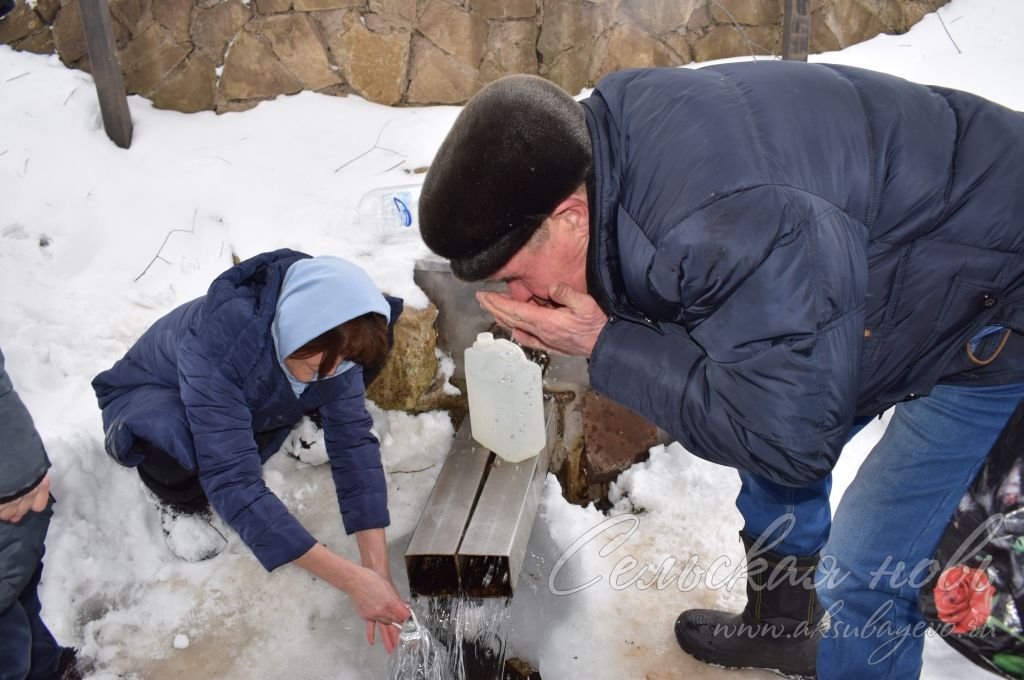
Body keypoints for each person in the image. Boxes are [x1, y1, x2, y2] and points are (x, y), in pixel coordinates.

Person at [417, 65, 1024, 679]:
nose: (521, 293)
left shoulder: (723, 225)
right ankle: (780, 625)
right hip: (897, 278)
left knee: (865, 572)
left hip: (993, 312)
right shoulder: (607, 149)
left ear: (572, 217)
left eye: (518, 272)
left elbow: (787, 443)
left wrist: (601, 342)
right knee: (758, 398)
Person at [92, 250, 411, 653]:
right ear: (300, 327)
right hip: (153, 395)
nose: (333, 372)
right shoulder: (218, 343)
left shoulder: (330, 340)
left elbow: (354, 448)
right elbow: (233, 481)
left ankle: (282, 423)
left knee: (314, 394)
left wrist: (377, 571)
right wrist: (349, 580)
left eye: (340, 363)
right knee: (183, 453)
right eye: (319, 364)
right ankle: (176, 502)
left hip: (243, 396)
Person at [1, 347, 81, 680]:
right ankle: (49, 669)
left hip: (13, 491)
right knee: (15, 599)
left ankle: (47, 669)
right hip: (19, 479)